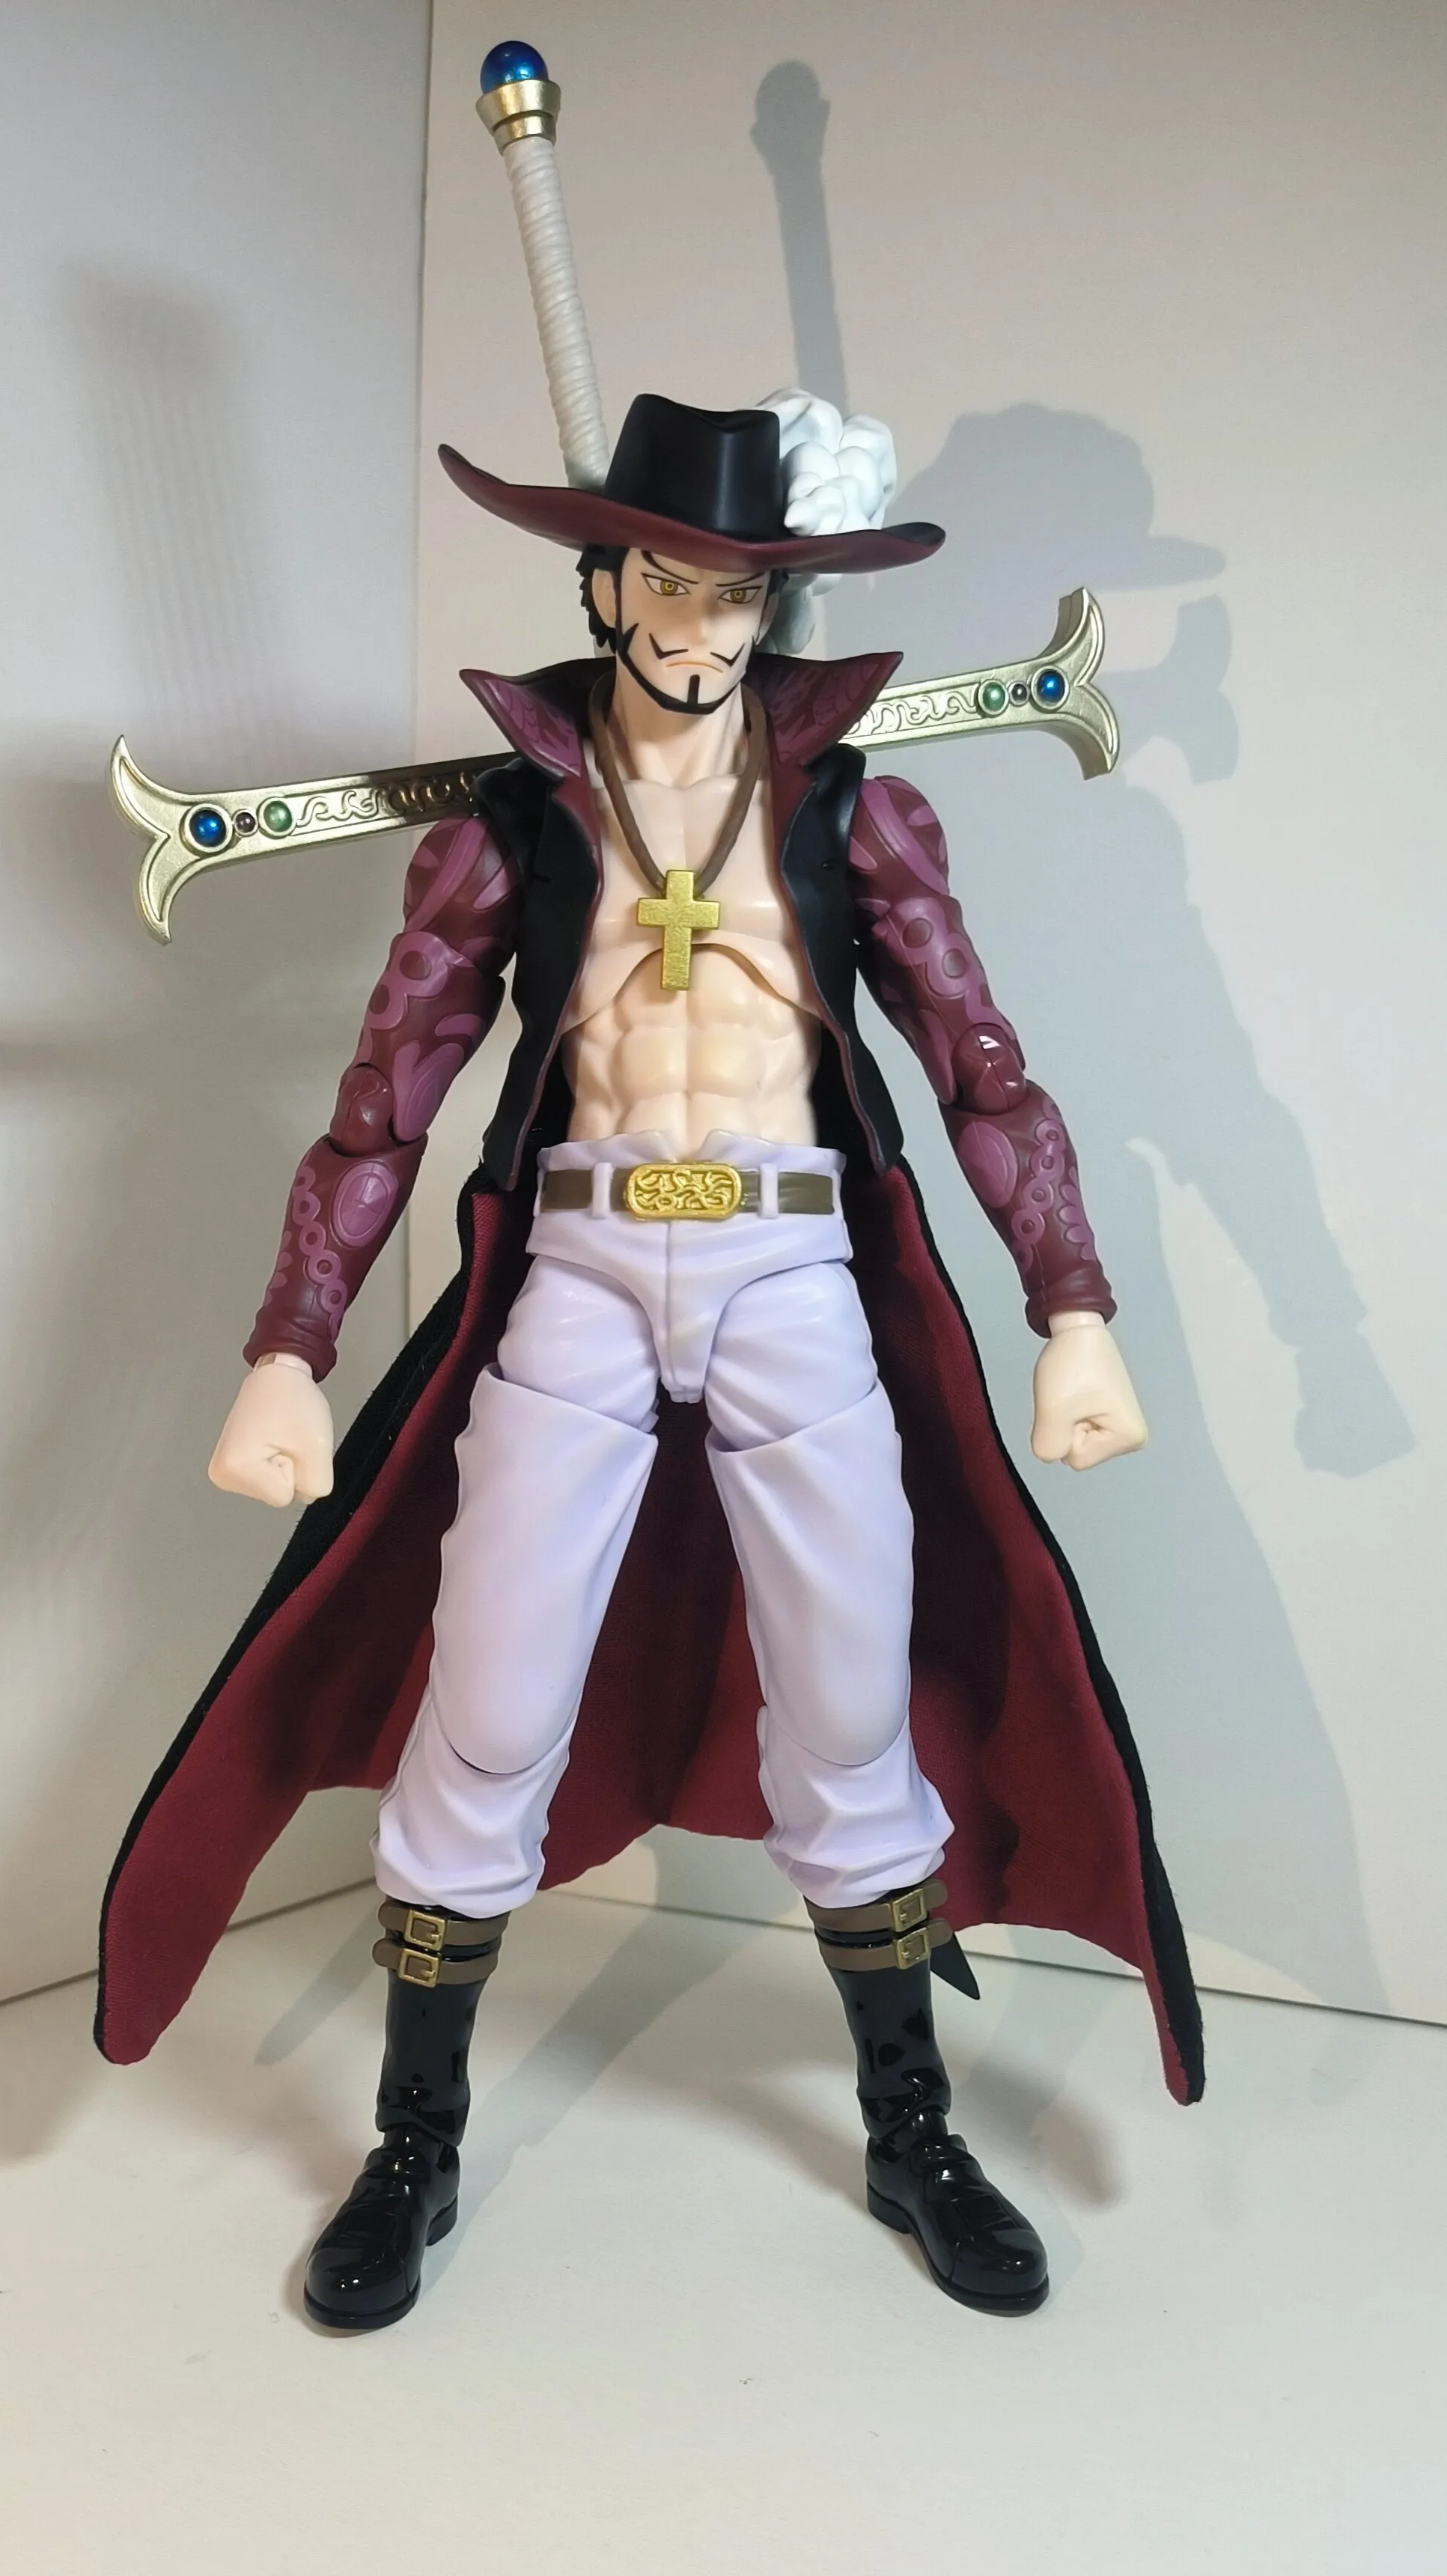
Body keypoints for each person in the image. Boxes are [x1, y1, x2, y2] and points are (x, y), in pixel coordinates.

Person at [97, 393, 1203, 2333]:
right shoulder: (514, 827)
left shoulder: (857, 809)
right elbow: (385, 1098)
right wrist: (289, 1344)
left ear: (778, 608)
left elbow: (982, 1069)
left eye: (740, 595)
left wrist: (1074, 1305)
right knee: (490, 1698)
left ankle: (911, 2129)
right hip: (587, 1267)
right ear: (601, 584)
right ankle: (416, 2142)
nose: (702, 629)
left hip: (790, 1267)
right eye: (670, 584)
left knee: (848, 1706)